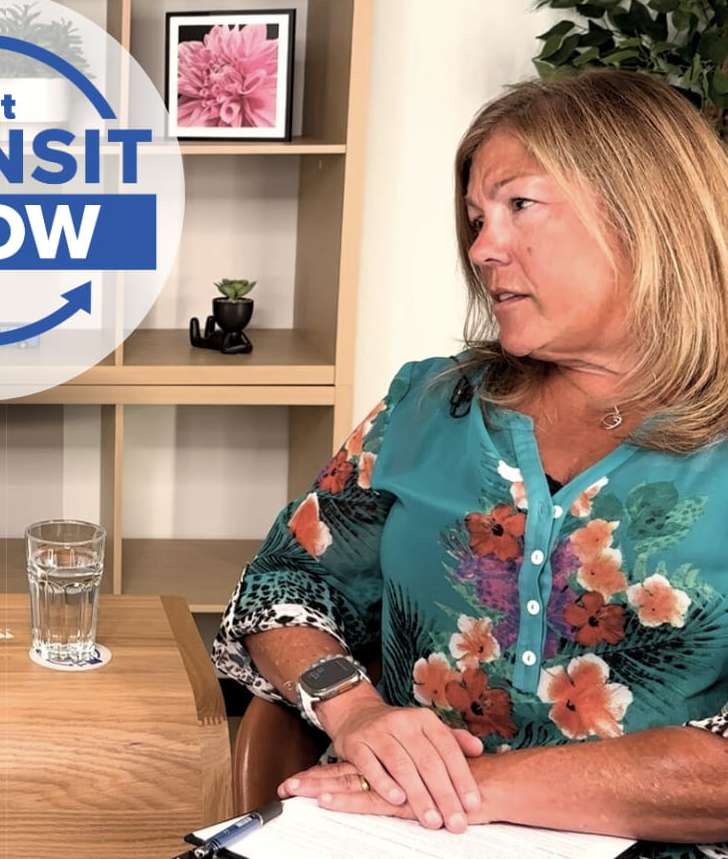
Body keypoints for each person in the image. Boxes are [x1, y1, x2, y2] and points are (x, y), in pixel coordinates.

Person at [214, 70, 728, 859]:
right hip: (377, 837)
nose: (483, 248)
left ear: (646, 214)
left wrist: (459, 792)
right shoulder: (430, 402)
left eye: (519, 204)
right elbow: (283, 588)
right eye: (476, 218)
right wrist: (351, 710)